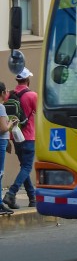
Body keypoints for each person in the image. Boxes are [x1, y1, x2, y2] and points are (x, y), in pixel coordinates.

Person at [3, 68, 37, 210]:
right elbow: (40, 112)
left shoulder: (9, 94)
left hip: (15, 136)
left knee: (24, 166)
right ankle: (11, 193)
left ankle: (32, 198)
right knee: (27, 167)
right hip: (28, 136)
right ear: (28, 80)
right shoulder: (32, 95)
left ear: (17, 79)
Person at [0, 81, 19, 214]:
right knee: (0, 173)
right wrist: (11, 124)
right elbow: (3, 128)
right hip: (1, 141)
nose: (7, 93)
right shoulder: (1, 107)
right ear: (2, 93)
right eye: (6, 91)